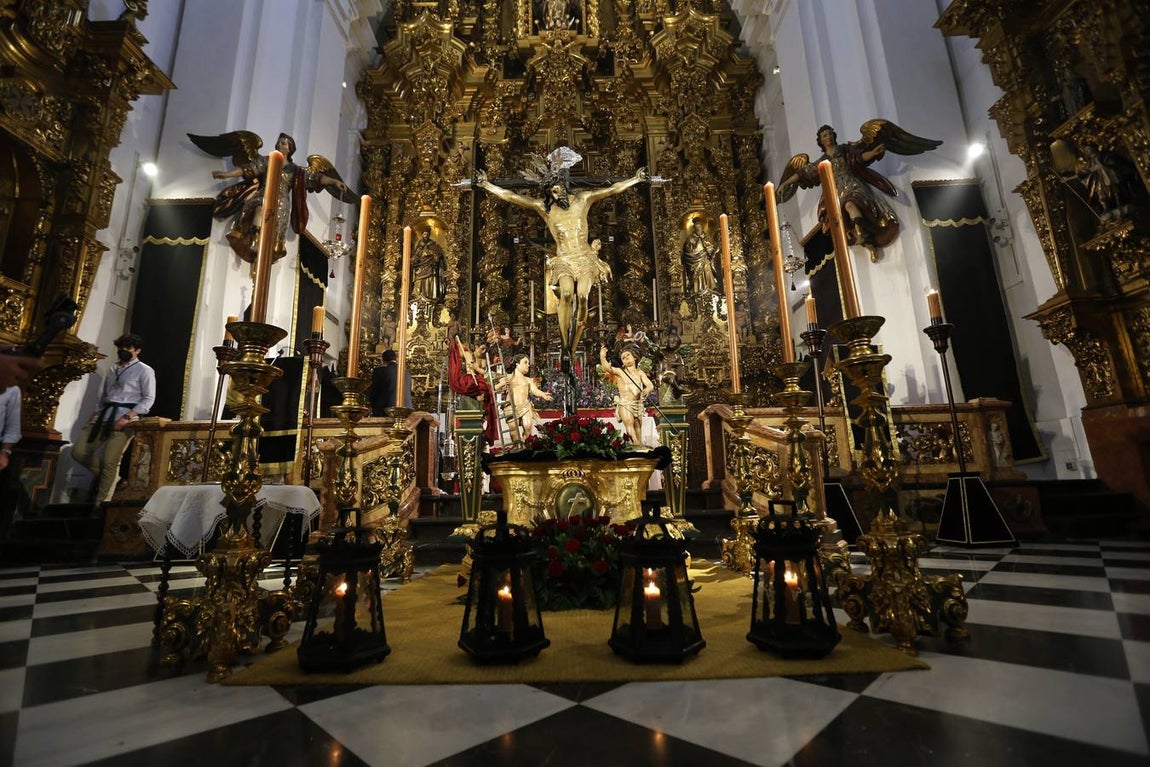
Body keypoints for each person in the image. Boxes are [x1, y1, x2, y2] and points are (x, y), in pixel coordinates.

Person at [474, 153, 648, 364]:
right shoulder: (545, 209)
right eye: (552, 192)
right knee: (565, 294)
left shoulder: (583, 200)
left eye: (557, 190)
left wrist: (635, 179)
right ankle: (566, 346)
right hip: (564, 259)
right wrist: (487, 185)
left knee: (582, 296)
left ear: (564, 186)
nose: (556, 195)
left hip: (585, 258)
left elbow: (611, 189)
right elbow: (513, 197)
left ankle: (573, 345)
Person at [190, 131, 356, 262]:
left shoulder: (296, 170)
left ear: (290, 149)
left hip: (282, 200)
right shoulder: (267, 161)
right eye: (279, 142)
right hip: (264, 194)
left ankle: (272, 246)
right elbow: (248, 169)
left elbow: (316, 178)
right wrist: (226, 174)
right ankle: (255, 240)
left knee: (277, 220)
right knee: (259, 208)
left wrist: (333, 181)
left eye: (284, 143)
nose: (280, 144)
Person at [777, 120, 942, 250]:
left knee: (850, 204)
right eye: (824, 135)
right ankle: (859, 233)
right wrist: (785, 183)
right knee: (840, 215)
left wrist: (873, 153)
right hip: (835, 191)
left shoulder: (845, 150)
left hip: (851, 183)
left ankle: (863, 232)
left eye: (830, 134)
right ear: (821, 141)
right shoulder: (821, 162)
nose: (828, 137)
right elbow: (802, 174)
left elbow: (858, 158)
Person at [71, 333, 155, 505]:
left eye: (128, 348)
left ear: (137, 351)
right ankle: (113, 479)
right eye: (121, 347)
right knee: (79, 452)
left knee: (111, 461)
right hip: (104, 415)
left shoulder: (144, 370)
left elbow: (148, 398)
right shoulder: (112, 368)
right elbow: (105, 395)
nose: (123, 351)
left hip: (126, 418)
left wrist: (128, 416)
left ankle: (101, 504)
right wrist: (95, 414)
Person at [599, 344, 654, 447]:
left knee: (638, 425)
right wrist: (602, 356)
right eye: (623, 358)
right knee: (629, 422)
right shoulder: (620, 372)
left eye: (628, 355)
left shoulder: (640, 373)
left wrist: (647, 390)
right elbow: (607, 368)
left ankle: (639, 444)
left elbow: (650, 385)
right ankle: (635, 443)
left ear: (635, 357)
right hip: (625, 403)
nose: (626, 358)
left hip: (637, 404)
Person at [495, 354, 554, 439]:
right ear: (517, 364)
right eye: (525, 362)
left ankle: (526, 443)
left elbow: (535, 390)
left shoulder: (528, 380)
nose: (528, 365)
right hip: (511, 407)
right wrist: (501, 384)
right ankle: (517, 445)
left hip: (525, 406)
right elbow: (495, 388)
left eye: (528, 363)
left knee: (528, 426)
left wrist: (543, 394)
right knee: (513, 429)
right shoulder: (508, 377)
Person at [681, 219, 717, 296]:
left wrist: (704, 241)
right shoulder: (690, 238)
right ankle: (696, 289)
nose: (698, 229)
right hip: (694, 259)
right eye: (696, 227)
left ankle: (709, 287)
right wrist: (690, 244)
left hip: (704, 257)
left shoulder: (706, 237)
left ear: (702, 227)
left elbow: (711, 248)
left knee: (707, 269)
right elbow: (686, 249)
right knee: (696, 273)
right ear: (694, 228)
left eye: (699, 227)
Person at [412, 229, 446, 301]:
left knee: (430, 279)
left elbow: (437, 255)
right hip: (420, 265)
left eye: (427, 234)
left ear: (429, 235)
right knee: (418, 279)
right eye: (424, 234)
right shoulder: (419, 244)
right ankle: (417, 295)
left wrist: (433, 255)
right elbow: (416, 254)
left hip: (430, 265)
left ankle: (429, 296)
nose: (425, 236)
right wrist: (414, 258)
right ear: (422, 235)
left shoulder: (432, 244)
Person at [368, 350, 398, 416]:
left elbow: (374, 392)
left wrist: (373, 408)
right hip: (405, 409)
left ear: (382, 360)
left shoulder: (380, 371)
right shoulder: (407, 372)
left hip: (385, 410)